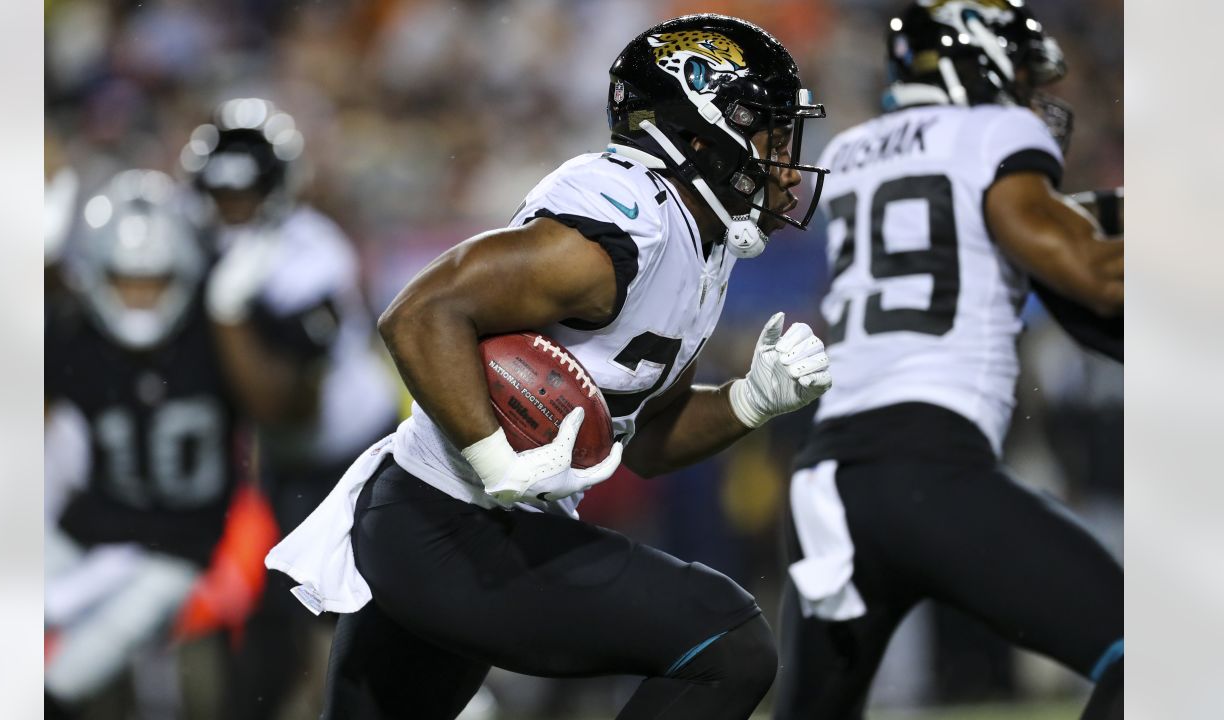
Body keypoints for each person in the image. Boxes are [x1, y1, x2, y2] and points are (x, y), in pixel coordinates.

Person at [266, 14, 833, 720]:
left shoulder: (699, 238)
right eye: (768, 135)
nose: (783, 163)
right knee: (728, 641)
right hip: (446, 524)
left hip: (456, 531)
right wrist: (493, 456)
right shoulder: (631, 222)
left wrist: (751, 400)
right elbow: (419, 313)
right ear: (700, 130)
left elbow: (650, 441)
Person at [772, 3, 1123, 719]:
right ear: (982, 62)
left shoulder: (852, 150)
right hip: (932, 468)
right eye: (1021, 76)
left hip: (828, 484)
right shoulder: (996, 132)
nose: (1030, 97)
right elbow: (1097, 276)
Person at [180, 98, 401, 718]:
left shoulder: (311, 258)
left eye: (244, 192)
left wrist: (226, 317)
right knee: (279, 625)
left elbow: (287, 408)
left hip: (349, 456)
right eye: (220, 193)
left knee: (342, 618)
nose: (232, 208)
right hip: (286, 468)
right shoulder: (212, 248)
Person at [44, 170, 243, 716]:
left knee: (60, 683)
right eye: (125, 280)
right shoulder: (72, 334)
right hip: (94, 527)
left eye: (153, 280)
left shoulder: (218, 334)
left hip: (176, 548)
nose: (138, 296)